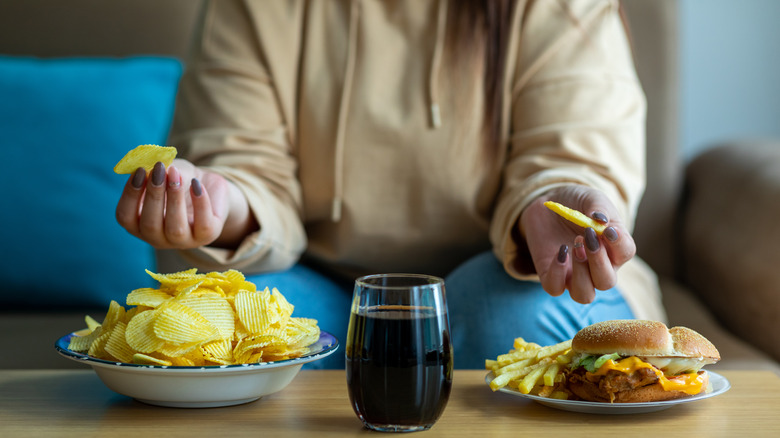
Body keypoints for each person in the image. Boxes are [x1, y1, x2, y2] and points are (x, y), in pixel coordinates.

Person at [115, 0, 666, 369]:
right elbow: (243, 160)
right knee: (231, 326)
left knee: (505, 314)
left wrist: (554, 206)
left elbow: (571, 148)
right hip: (325, 285)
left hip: (508, 280)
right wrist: (217, 202)